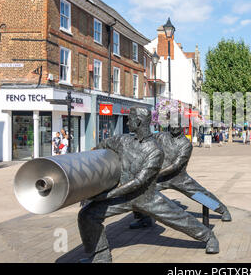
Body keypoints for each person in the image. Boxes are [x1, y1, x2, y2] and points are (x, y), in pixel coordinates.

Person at [78, 108, 219, 263]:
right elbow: (102, 146)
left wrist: (105, 196)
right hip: (123, 197)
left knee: (178, 218)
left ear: (137, 121)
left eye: (129, 119)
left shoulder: (155, 151)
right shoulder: (122, 141)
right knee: (86, 216)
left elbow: (139, 182)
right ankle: (101, 255)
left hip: (147, 197)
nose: (127, 122)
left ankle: (209, 237)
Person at [130, 119, 232, 229]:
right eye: (172, 125)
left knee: (200, 194)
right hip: (161, 178)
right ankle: (144, 218)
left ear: (182, 126)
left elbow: (176, 165)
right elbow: (147, 140)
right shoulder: (161, 136)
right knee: (138, 192)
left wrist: (154, 173)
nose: (174, 128)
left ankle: (222, 210)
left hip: (179, 177)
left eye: (176, 125)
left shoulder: (186, 144)